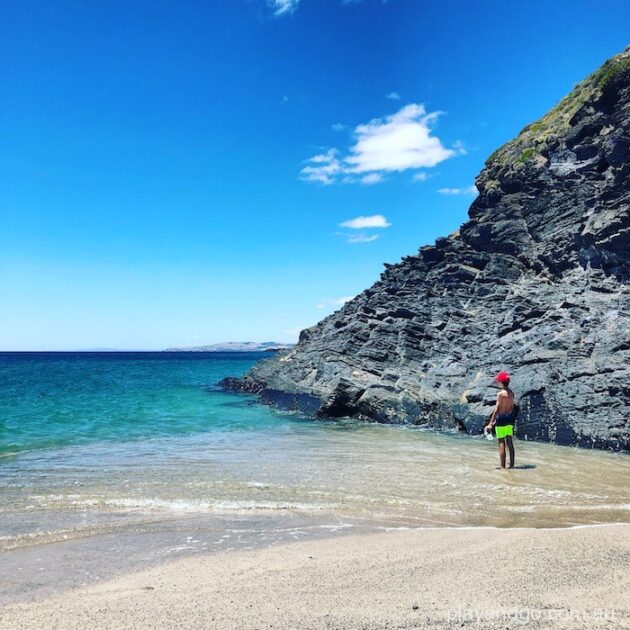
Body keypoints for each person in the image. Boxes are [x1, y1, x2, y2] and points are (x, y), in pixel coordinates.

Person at [487, 371, 516, 468]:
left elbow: (497, 409)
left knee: (501, 443)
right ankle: (511, 465)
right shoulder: (511, 393)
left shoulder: (500, 394)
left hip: (501, 418)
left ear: (500, 382)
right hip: (509, 418)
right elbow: (512, 407)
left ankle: (503, 467)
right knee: (510, 442)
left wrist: (491, 423)